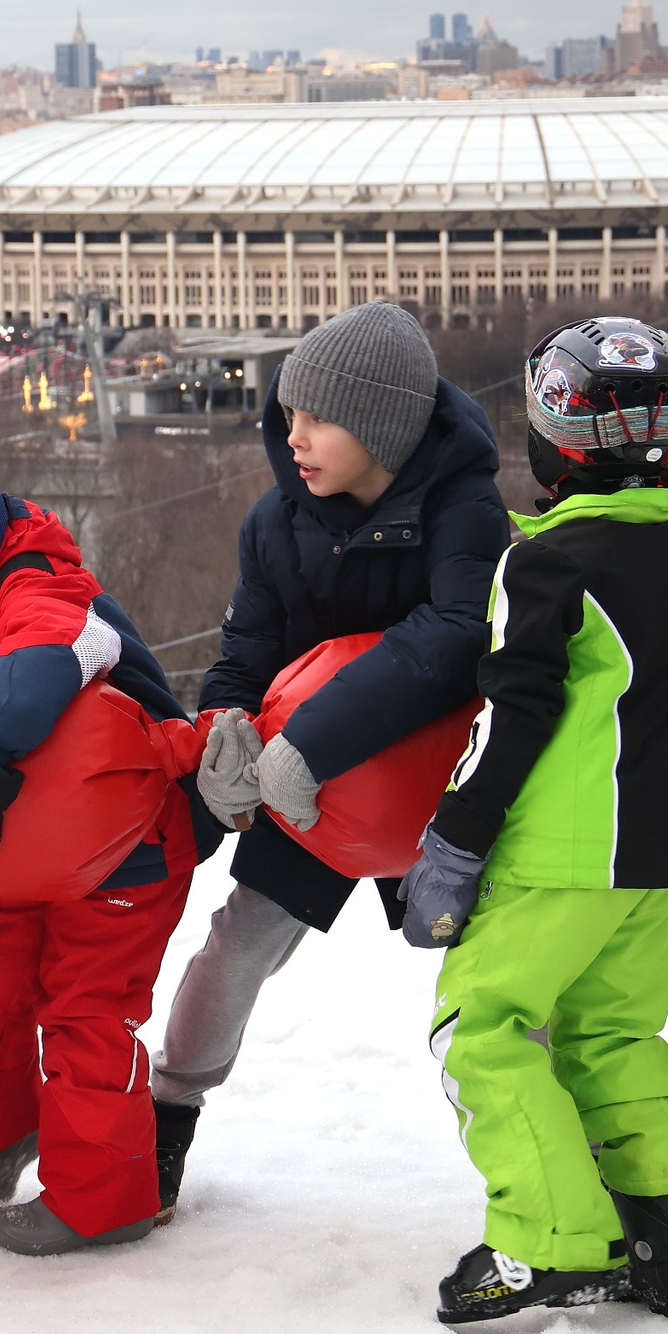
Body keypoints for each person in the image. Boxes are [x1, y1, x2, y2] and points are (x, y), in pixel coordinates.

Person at [397, 317, 668, 1329]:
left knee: (480, 1030)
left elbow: (515, 712)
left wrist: (457, 834)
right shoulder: (667, 544)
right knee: (611, 1031)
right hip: (662, 853)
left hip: (568, 854)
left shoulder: (543, 563)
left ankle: (550, 1241)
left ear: (551, 437)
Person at [153, 302, 509, 1218]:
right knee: (238, 943)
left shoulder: (466, 509)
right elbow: (246, 647)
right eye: (289, 413)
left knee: (503, 967)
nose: (291, 435)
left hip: (435, 791)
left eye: (318, 419)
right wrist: (227, 720)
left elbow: (456, 632)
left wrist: (313, 741)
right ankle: (166, 1115)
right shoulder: (275, 522)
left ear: (385, 427)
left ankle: (569, 1137)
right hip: (302, 797)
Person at [0, 428, 215, 1257]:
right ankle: (3, 1137)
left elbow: (47, 656)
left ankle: (105, 1201)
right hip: (36, 846)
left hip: (132, 836)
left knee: (85, 1014)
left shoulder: (39, 583)